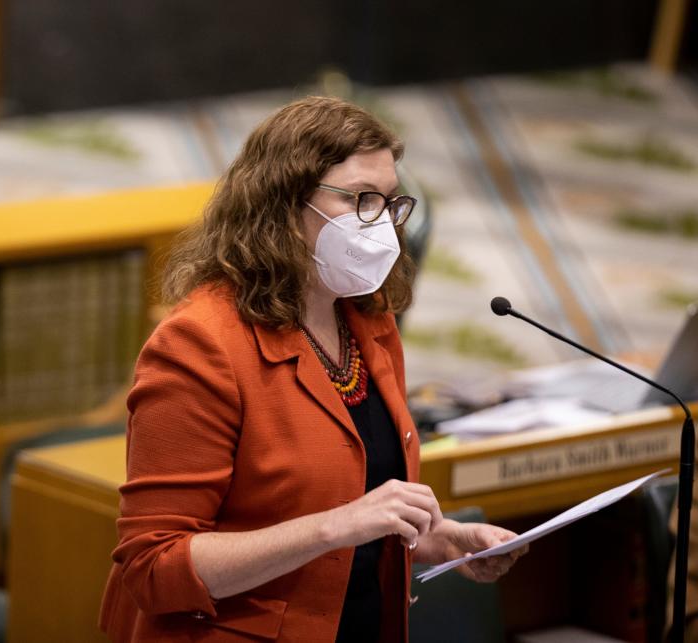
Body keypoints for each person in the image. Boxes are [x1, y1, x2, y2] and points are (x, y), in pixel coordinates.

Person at [99, 96, 527, 642]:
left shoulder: (369, 319)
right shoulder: (198, 344)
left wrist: (436, 541)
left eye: (392, 203)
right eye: (361, 199)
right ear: (284, 204)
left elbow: (359, 498)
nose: (383, 224)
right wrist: (336, 525)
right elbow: (154, 566)